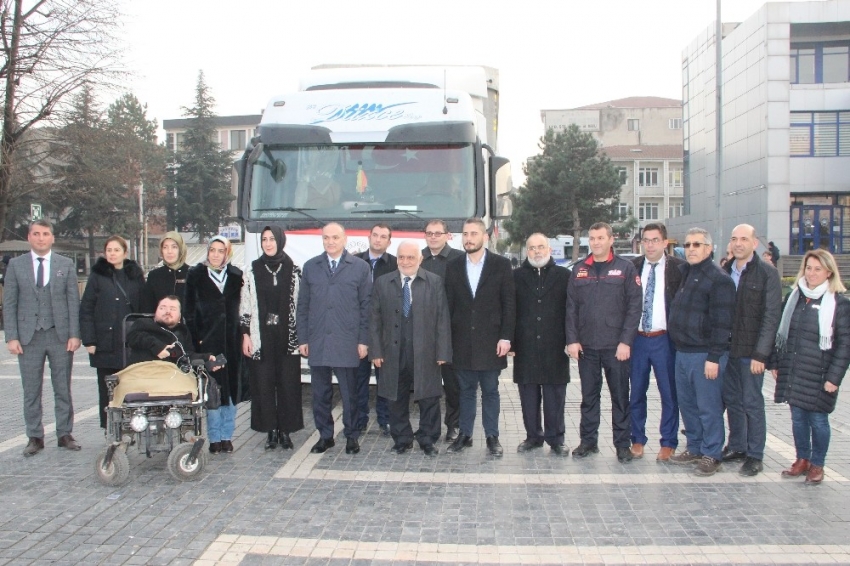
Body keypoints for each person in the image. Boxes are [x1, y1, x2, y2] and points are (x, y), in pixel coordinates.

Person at [771, 250, 850, 484]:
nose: (812, 273)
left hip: (821, 374)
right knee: (797, 418)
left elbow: (845, 345)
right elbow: (781, 333)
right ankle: (802, 458)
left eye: (817, 269)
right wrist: (776, 363)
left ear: (828, 272)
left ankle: (818, 464)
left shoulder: (839, 303)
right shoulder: (794, 297)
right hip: (794, 370)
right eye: (808, 268)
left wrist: (834, 378)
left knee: (818, 420)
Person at [565, 222, 642, 463]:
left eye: (600, 238)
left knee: (620, 397)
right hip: (587, 347)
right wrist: (572, 340)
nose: (596, 242)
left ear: (610, 240)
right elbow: (571, 309)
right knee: (589, 397)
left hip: (615, 347)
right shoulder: (579, 270)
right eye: (592, 238)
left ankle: (622, 444)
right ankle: (588, 442)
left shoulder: (625, 269)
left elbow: (634, 308)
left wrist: (626, 341)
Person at [4, 220, 82, 456]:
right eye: (36, 234)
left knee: (62, 387)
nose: (40, 238)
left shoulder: (65, 264)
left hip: (59, 335)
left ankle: (64, 433)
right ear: (29, 237)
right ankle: (35, 436)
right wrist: (12, 336)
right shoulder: (16, 265)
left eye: (45, 234)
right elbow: (9, 303)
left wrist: (74, 334)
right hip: (29, 337)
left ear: (52, 237)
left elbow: (72, 302)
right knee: (31, 389)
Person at [370, 241, 451, 457]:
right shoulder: (382, 283)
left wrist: (443, 352)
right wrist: (375, 351)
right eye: (401, 257)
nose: (405, 262)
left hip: (426, 352)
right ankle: (402, 439)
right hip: (391, 352)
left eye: (410, 257)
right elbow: (374, 320)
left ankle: (427, 438)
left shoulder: (434, 282)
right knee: (395, 397)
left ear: (420, 259)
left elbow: (442, 319)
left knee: (429, 397)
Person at [297, 222, 371, 455]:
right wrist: (303, 338)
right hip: (318, 341)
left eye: (335, 237)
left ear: (345, 239)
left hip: (347, 342)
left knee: (351, 394)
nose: (330, 242)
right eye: (326, 238)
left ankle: (352, 436)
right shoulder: (311, 267)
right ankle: (325, 436)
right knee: (320, 394)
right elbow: (303, 306)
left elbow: (366, 307)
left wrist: (363, 340)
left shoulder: (360, 267)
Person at [444, 218, 515, 457]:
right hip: (461, 342)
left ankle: (492, 436)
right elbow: (448, 307)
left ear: (485, 237)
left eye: (473, 233)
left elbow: (508, 304)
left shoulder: (501, 265)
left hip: (491, 342)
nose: (468, 238)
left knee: (490, 391)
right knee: (464, 391)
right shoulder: (453, 266)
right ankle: (465, 434)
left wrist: (506, 337)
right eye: (465, 234)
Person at [667, 228, 736, 476]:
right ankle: (694, 447)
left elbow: (723, 323)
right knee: (688, 405)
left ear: (709, 248)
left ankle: (712, 453)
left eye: (697, 244)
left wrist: (714, 357)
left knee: (709, 407)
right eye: (687, 245)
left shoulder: (719, 279)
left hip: (705, 355)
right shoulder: (686, 272)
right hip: (682, 352)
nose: (691, 249)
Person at [720, 224, 782, 476]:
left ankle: (755, 454)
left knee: (752, 403)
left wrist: (761, 354)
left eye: (744, 239)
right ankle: (737, 445)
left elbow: (771, 318)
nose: (738, 243)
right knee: (732, 400)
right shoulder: (724, 271)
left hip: (751, 353)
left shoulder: (767, 274)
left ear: (754, 243)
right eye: (734, 239)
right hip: (727, 351)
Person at [240, 226, 304, 451]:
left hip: (287, 337)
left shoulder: (294, 270)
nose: (268, 243)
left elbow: (301, 306)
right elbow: (246, 304)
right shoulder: (252, 270)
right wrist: (245, 335)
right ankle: (270, 431)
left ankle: (286, 431)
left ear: (280, 240)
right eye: (264, 239)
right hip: (261, 336)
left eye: (272, 239)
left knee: (288, 385)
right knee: (264, 385)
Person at [185, 236, 245, 455]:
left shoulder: (237, 276)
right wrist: (195, 343)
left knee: (230, 392)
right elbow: (189, 313)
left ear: (227, 253)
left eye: (221, 251)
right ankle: (214, 437)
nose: (216, 255)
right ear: (207, 252)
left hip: (232, 343)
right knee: (212, 393)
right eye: (213, 250)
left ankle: (227, 436)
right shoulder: (196, 276)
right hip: (208, 343)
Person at [629, 223, 684, 462]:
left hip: (665, 339)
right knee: (636, 392)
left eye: (654, 240)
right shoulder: (632, 268)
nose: (649, 245)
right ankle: (637, 439)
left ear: (664, 242)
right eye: (646, 240)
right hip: (638, 339)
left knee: (669, 393)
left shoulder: (679, 269)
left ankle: (668, 442)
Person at [512, 233, 570, 455]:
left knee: (555, 395)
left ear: (549, 249)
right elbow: (511, 310)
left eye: (541, 247)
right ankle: (533, 436)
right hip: (525, 345)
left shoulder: (564, 276)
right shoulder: (515, 276)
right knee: (528, 395)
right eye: (532, 248)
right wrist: (512, 340)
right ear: (527, 251)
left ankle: (556, 438)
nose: (536, 251)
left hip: (556, 345)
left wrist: (571, 339)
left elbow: (571, 310)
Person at [79, 235, 145, 429]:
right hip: (105, 343)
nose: (112, 254)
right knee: (107, 389)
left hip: (130, 343)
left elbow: (143, 307)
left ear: (125, 253)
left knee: (130, 388)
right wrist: (89, 340)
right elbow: (86, 309)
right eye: (109, 250)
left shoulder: (135, 275)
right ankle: (109, 429)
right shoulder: (97, 276)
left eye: (117, 250)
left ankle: (130, 427)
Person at [420, 219, 464, 442]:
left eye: (438, 233)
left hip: (452, 331)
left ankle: (454, 425)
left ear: (448, 235)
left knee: (453, 384)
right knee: (427, 383)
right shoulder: (418, 258)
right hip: (424, 332)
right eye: (429, 233)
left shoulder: (459, 259)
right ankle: (428, 426)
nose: (433, 237)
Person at [354, 223, 397, 435]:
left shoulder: (396, 265)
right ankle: (360, 419)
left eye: (383, 237)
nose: (378, 240)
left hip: (385, 332)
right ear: (369, 237)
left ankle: (385, 419)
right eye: (375, 235)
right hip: (359, 330)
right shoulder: (353, 261)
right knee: (358, 379)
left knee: (385, 379)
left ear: (389, 242)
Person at [141, 231, 188, 312]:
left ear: (181, 249)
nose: (169, 251)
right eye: (165, 247)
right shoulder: (154, 276)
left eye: (174, 247)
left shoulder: (193, 275)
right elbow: (147, 308)